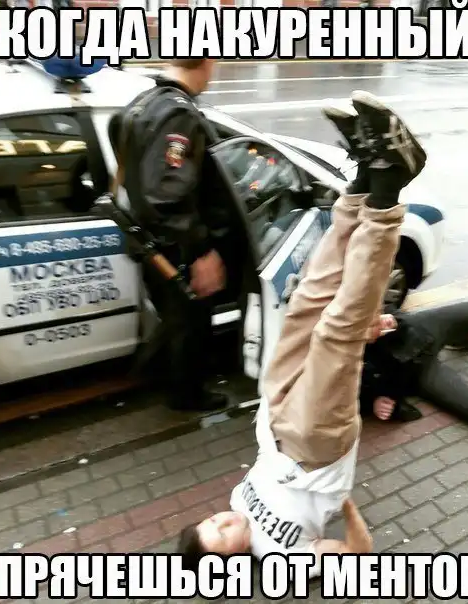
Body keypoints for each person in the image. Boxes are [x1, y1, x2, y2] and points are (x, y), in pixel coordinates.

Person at [176, 91, 428, 571]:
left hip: (274, 411)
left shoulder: (238, 501)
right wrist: (344, 501)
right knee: (337, 331)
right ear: (233, 560)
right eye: (222, 537)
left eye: (212, 522)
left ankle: (360, 185)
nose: (225, 522)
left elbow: (244, 494)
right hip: (314, 448)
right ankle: (387, 191)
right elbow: (358, 555)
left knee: (306, 302)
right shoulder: (279, 556)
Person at [111, 59, 236, 413]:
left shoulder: (144, 102)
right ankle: (187, 396)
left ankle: (157, 373)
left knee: (176, 318)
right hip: (175, 247)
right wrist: (200, 251)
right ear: (205, 63)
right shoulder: (178, 115)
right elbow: (167, 194)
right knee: (190, 322)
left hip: (152, 241)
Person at [359, 298, 468, 427]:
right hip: (417, 370)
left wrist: (393, 319)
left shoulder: (350, 300)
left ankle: (459, 336)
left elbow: (387, 306)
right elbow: (352, 395)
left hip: (420, 329)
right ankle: (457, 335)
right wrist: (374, 400)